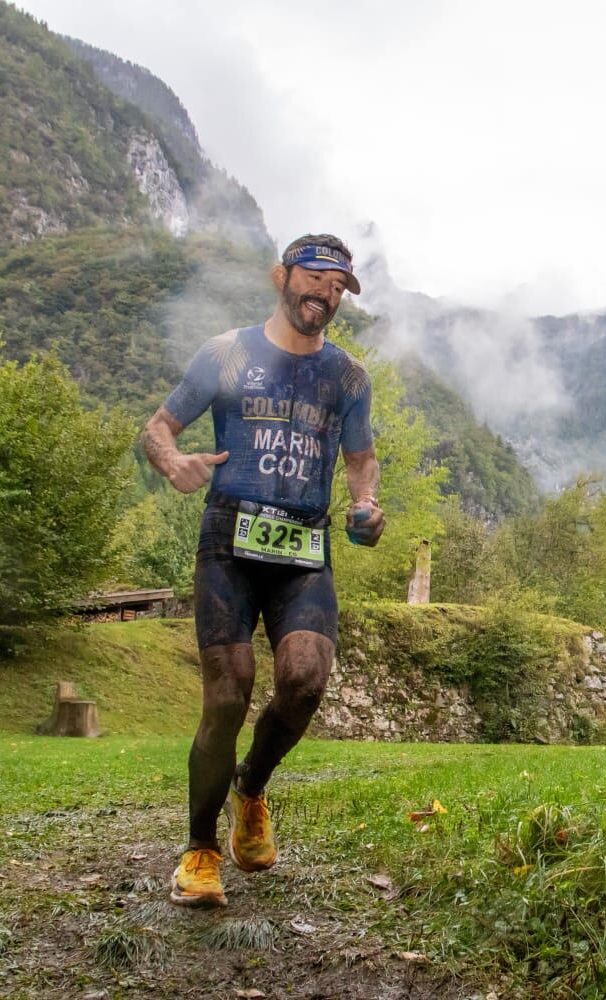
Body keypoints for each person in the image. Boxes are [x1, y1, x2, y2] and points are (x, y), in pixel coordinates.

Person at [142, 234, 384, 908]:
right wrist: (175, 463)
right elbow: (157, 428)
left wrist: (366, 502)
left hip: (304, 546)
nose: (327, 297)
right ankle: (199, 852)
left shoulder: (350, 377)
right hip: (229, 542)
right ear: (281, 276)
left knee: (305, 680)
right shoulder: (227, 353)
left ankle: (251, 788)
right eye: (316, 280)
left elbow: (361, 458)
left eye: (339, 288)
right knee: (228, 693)